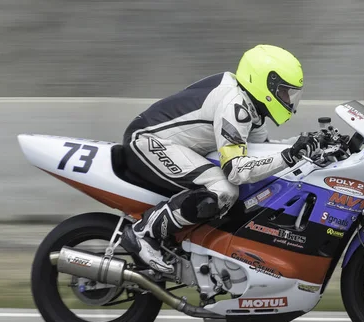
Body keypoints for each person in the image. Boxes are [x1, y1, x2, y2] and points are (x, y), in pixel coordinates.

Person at [119, 44, 319, 274]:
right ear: (266, 83)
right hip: (147, 141)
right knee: (224, 189)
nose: (287, 98)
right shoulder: (234, 105)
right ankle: (143, 233)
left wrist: (304, 143)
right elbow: (237, 170)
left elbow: (262, 151)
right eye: (284, 91)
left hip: (170, 144)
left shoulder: (248, 105)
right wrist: (291, 155)